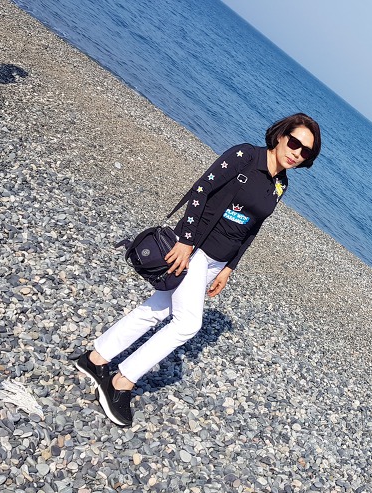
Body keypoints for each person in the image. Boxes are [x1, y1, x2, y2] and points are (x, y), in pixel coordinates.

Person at [73, 113, 321, 426]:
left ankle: (95, 359)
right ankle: (121, 382)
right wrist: (186, 241)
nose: (297, 152)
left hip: (217, 261)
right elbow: (202, 189)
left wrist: (229, 267)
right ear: (281, 136)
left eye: (306, 151)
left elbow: (253, 227)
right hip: (196, 250)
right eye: (295, 142)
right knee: (188, 323)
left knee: (159, 308)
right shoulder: (245, 156)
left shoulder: (281, 184)